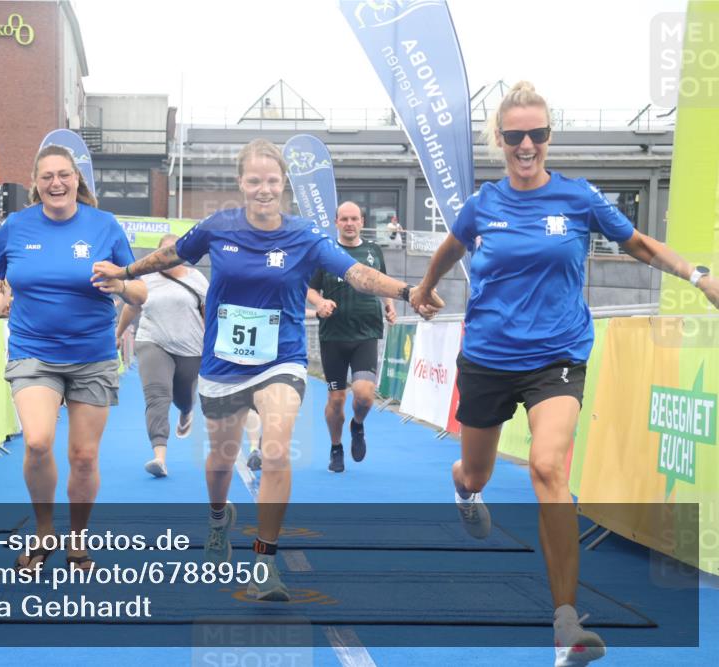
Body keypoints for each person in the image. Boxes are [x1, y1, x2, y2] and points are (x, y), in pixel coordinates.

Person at [409, 81, 719, 667]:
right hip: (489, 358)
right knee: (476, 469)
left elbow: (641, 247)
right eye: (514, 135)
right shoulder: (484, 204)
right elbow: (451, 247)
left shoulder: (579, 198)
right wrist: (425, 289)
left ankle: (566, 626)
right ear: (498, 140)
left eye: (538, 134)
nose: (527, 145)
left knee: (550, 468)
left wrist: (698, 275)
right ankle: (463, 486)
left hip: (557, 357)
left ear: (549, 137)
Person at [93, 139, 440, 601]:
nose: (263, 189)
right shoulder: (218, 227)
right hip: (222, 364)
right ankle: (219, 517)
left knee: (276, 449)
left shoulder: (304, 236)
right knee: (219, 463)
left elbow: (356, 272)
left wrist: (407, 290)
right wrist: (126, 270)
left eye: (271, 181)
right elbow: (170, 256)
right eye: (254, 181)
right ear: (241, 183)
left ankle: (264, 563)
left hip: (282, 359)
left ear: (283, 185)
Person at [0, 144, 147, 572]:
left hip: (92, 355)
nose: (56, 183)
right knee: (38, 442)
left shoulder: (105, 226)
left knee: (83, 457)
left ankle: (78, 538)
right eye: (47, 177)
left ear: (77, 180)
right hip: (33, 351)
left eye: (64, 175)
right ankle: (44, 530)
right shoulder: (17, 226)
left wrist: (121, 287)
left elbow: (139, 291)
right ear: (35, 185)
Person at [307, 201, 396, 473]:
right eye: (343, 219)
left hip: (366, 332)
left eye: (354, 218)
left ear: (361, 221)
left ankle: (357, 425)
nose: (349, 223)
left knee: (364, 396)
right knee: (336, 399)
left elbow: (381, 281)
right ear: (336, 222)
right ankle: (336, 448)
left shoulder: (372, 250)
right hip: (334, 335)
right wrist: (319, 303)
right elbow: (308, 289)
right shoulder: (325, 252)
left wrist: (389, 304)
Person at [115, 233, 209, 478]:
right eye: (164, 252)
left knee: (183, 396)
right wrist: (118, 332)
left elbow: (207, 312)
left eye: (174, 252)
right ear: (156, 256)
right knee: (158, 396)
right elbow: (132, 306)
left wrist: (213, 344)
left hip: (190, 348)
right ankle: (159, 456)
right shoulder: (146, 279)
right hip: (152, 341)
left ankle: (186, 410)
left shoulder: (197, 278)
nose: (168, 257)